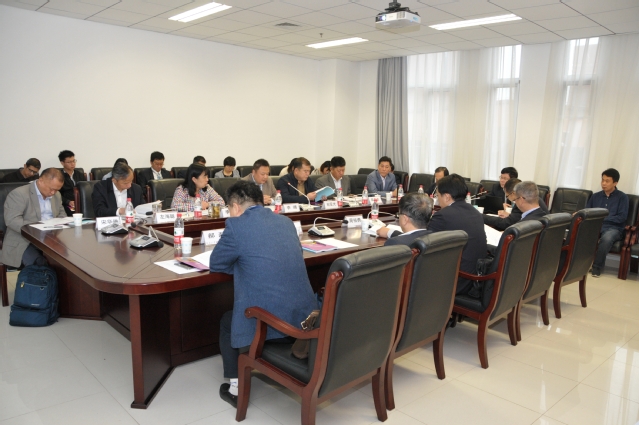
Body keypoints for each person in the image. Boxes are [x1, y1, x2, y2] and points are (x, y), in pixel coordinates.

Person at [209, 180, 317, 408]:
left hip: (271, 321)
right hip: (304, 317)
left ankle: (236, 388)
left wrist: (243, 265)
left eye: (229, 209)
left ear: (235, 206)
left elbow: (216, 263)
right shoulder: (286, 222)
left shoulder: (236, 226)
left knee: (227, 322)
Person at [429, 174, 487, 295]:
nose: (437, 200)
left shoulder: (443, 215)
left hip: (456, 280)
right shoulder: (474, 212)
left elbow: (425, 246)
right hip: (476, 278)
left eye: (437, 195)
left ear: (447, 197)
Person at [1, 168, 66, 268]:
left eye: (57, 190)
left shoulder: (56, 195)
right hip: (25, 240)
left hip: (51, 239)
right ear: (41, 181)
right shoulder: (19, 194)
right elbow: (12, 220)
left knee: (66, 260)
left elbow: (62, 215)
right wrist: (38, 230)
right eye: (51, 189)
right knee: (39, 263)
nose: (53, 193)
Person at [587, 168, 629, 278]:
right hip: (596, 226)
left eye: (607, 181)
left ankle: (596, 267)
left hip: (614, 228)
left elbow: (621, 217)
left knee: (607, 239)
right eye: (602, 180)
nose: (603, 183)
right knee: (580, 234)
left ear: (615, 183)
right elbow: (588, 212)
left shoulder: (622, 197)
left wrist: (602, 218)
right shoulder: (595, 196)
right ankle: (576, 266)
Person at [483, 179, 549, 230]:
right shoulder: (536, 204)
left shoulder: (522, 225)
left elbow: (508, 223)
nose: (514, 201)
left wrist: (480, 216)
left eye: (507, 196)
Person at [58, 150, 86, 216]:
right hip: (67, 203)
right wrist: (68, 201)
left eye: (73, 161)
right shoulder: (59, 176)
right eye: (69, 162)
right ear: (62, 163)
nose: (73, 164)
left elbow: (85, 190)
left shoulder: (80, 174)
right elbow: (57, 194)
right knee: (72, 212)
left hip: (81, 202)